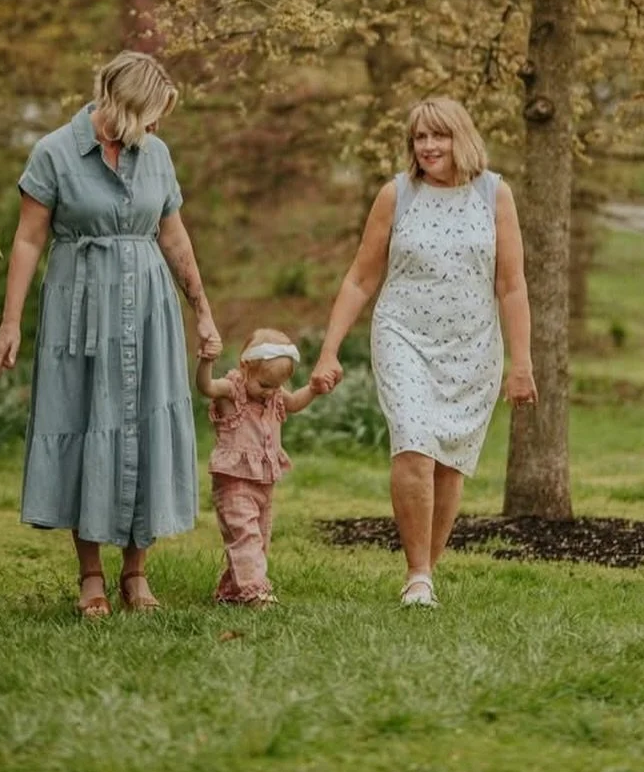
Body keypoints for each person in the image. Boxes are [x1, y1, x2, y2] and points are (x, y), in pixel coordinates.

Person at [0, 51, 221, 617]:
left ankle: (136, 574)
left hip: (148, 310)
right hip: (81, 310)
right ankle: (91, 576)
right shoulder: (53, 153)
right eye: (153, 114)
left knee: (144, 426)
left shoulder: (157, 155)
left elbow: (174, 237)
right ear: (123, 105)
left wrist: (204, 311)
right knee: (83, 421)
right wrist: (10, 321)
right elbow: (27, 240)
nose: (158, 127)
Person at [310, 97, 537, 608]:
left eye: (440, 135)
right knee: (414, 444)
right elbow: (360, 278)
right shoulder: (397, 194)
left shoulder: (494, 194)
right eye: (420, 137)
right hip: (404, 335)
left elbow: (512, 286)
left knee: (449, 462)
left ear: (463, 137)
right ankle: (417, 576)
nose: (429, 146)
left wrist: (521, 364)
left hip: (473, 345)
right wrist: (329, 350)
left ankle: (427, 572)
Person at [196, 328, 323, 607]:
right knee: (246, 537)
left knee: (260, 541)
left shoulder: (274, 393)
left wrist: (312, 389)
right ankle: (256, 592)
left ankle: (232, 593)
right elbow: (206, 387)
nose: (271, 393)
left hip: (264, 483)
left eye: (277, 386)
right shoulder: (233, 390)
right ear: (245, 366)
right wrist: (206, 361)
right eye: (265, 385)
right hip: (233, 482)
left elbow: (295, 404)